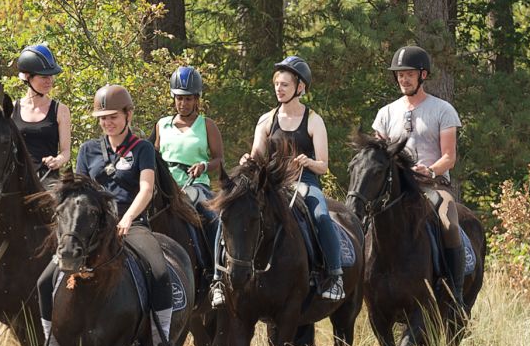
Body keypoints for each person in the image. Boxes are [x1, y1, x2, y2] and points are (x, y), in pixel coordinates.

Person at [33, 84, 185, 346]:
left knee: (159, 271)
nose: (107, 122)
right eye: (103, 118)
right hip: (92, 231)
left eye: (113, 116)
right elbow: (78, 191)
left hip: (133, 224)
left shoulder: (142, 149)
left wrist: (127, 218)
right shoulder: (89, 149)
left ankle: (162, 345)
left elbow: (146, 189)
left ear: (128, 114)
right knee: (45, 280)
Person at [213, 55, 345, 306]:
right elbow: (255, 158)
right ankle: (219, 278)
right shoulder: (266, 120)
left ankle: (334, 274)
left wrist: (308, 162)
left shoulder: (314, 120)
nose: (279, 89)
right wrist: (246, 160)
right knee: (229, 210)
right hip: (271, 185)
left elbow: (324, 167)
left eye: (285, 84)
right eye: (277, 84)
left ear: (300, 87)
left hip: (304, 181)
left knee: (321, 216)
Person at [372, 45, 465, 310]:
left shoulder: (442, 109)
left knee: (449, 223)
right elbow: (378, 156)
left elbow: (449, 156)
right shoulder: (385, 114)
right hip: (397, 188)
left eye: (409, 74)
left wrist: (431, 170)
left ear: (423, 75)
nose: (403, 79)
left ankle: (455, 294)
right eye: (400, 75)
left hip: (432, 184)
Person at [153, 65, 224, 266]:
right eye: (179, 98)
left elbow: (219, 160)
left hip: (196, 185)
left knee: (213, 219)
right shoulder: (162, 125)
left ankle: (216, 271)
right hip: (167, 188)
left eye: (188, 98)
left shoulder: (207, 125)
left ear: (196, 100)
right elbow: (154, 156)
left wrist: (203, 165)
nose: (183, 103)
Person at [12, 44, 72, 182]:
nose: (49, 81)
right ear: (28, 77)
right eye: (44, 76)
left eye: (51, 76)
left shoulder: (60, 110)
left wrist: (57, 160)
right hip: (17, 180)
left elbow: (66, 151)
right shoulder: (12, 109)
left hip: (47, 178)